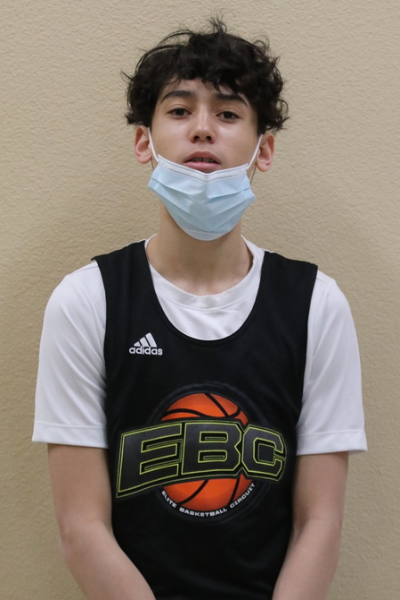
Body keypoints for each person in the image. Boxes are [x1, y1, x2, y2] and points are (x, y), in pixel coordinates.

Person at [33, 18, 367, 600]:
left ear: (263, 150)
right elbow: (81, 529)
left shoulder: (316, 303)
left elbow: (320, 523)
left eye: (229, 113)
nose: (204, 129)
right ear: (145, 142)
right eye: (180, 110)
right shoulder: (87, 300)